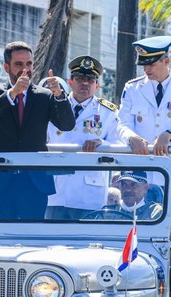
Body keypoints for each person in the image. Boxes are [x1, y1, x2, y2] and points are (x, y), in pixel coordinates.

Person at [0, 41, 75, 219]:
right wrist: (13, 93)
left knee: (33, 235)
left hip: (34, 181)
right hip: (2, 180)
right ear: (7, 67)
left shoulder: (44, 96)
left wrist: (59, 96)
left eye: (29, 64)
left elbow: (67, 124)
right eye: (19, 64)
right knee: (1, 237)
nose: (25, 69)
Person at [117, 35, 171, 231]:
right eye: (143, 65)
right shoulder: (132, 88)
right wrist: (131, 137)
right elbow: (120, 124)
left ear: (166, 61)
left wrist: (170, 134)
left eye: (151, 64)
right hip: (138, 178)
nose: (146, 70)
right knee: (136, 234)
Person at [43, 55, 120, 219]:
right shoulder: (54, 105)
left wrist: (101, 142)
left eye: (90, 80)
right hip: (57, 190)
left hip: (89, 193)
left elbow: (118, 145)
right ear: (70, 82)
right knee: (53, 242)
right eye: (80, 79)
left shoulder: (107, 112)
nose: (85, 84)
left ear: (97, 85)